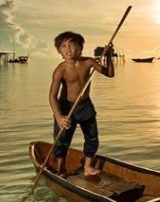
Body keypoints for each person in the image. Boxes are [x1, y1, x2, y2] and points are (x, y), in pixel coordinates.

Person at [49, 31, 115, 177]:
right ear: (59, 51)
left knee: (92, 137)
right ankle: (61, 169)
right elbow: (52, 96)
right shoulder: (60, 70)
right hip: (66, 107)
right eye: (63, 46)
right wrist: (59, 117)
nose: (68, 49)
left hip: (85, 106)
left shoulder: (88, 62)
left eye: (72, 45)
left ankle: (88, 167)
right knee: (62, 140)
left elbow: (109, 74)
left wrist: (108, 56)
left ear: (80, 48)